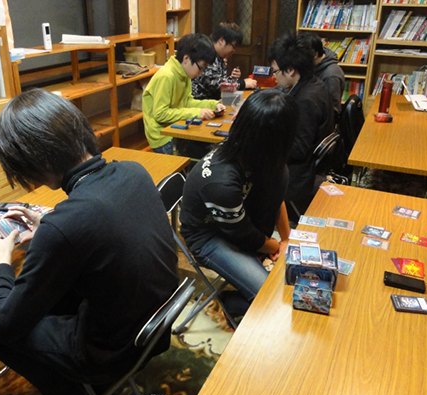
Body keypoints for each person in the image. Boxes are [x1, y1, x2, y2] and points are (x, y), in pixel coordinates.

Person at [0, 88, 179, 395]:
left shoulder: (65, 226)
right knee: (52, 299)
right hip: (154, 327)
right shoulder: (134, 171)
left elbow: (3, 324)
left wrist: (3, 262)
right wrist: (47, 225)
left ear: (32, 161)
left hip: (111, 351)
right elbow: (101, 223)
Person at [179, 88, 297, 313]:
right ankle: (223, 302)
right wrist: (275, 246)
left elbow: (277, 197)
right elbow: (244, 234)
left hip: (240, 220)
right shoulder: (220, 181)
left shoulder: (265, 157)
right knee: (269, 296)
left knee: (285, 282)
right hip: (208, 236)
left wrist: (286, 240)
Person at [268, 32, 334, 212]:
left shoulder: (305, 100)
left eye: (275, 71)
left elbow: (297, 149)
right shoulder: (315, 84)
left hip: (298, 175)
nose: (274, 77)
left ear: (290, 70)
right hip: (307, 167)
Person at [142, 33, 225, 154]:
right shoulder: (166, 76)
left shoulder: (184, 73)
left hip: (176, 128)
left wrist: (213, 105)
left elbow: (187, 102)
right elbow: (160, 114)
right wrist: (197, 113)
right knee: (198, 154)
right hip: (162, 136)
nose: (201, 72)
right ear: (186, 59)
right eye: (201, 67)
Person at [191, 22, 258, 100]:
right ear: (221, 41)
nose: (234, 50)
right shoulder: (207, 54)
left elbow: (218, 80)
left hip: (213, 101)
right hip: (200, 103)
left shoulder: (219, 56)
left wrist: (233, 79)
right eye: (233, 46)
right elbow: (214, 83)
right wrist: (242, 83)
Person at [300, 32, 345, 117]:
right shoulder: (312, 65)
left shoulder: (331, 75)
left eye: (302, 55)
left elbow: (333, 110)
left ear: (315, 54)